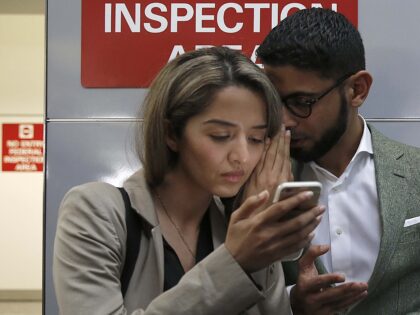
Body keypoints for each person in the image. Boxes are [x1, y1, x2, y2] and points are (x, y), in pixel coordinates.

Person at [53, 46, 324, 315]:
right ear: (172, 133)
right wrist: (235, 261)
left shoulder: (238, 223)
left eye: (255, 139)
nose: (242, 156)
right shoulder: (96, 211)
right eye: (220, 135)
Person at [257, 7, 420, 315]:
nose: (284, 120)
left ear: (357, 90)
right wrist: (291, 304)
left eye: (302, 102)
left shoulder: (415, 172)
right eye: (273, 102)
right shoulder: (251, 180)